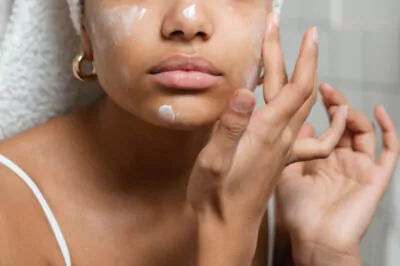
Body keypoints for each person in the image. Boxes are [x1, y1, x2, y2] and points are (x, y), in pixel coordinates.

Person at [0, 0, 397, 265]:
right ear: (84, 28)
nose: (188, 21)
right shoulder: (9, 208)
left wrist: (324, 251)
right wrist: (229, 232)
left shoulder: (291, 197)